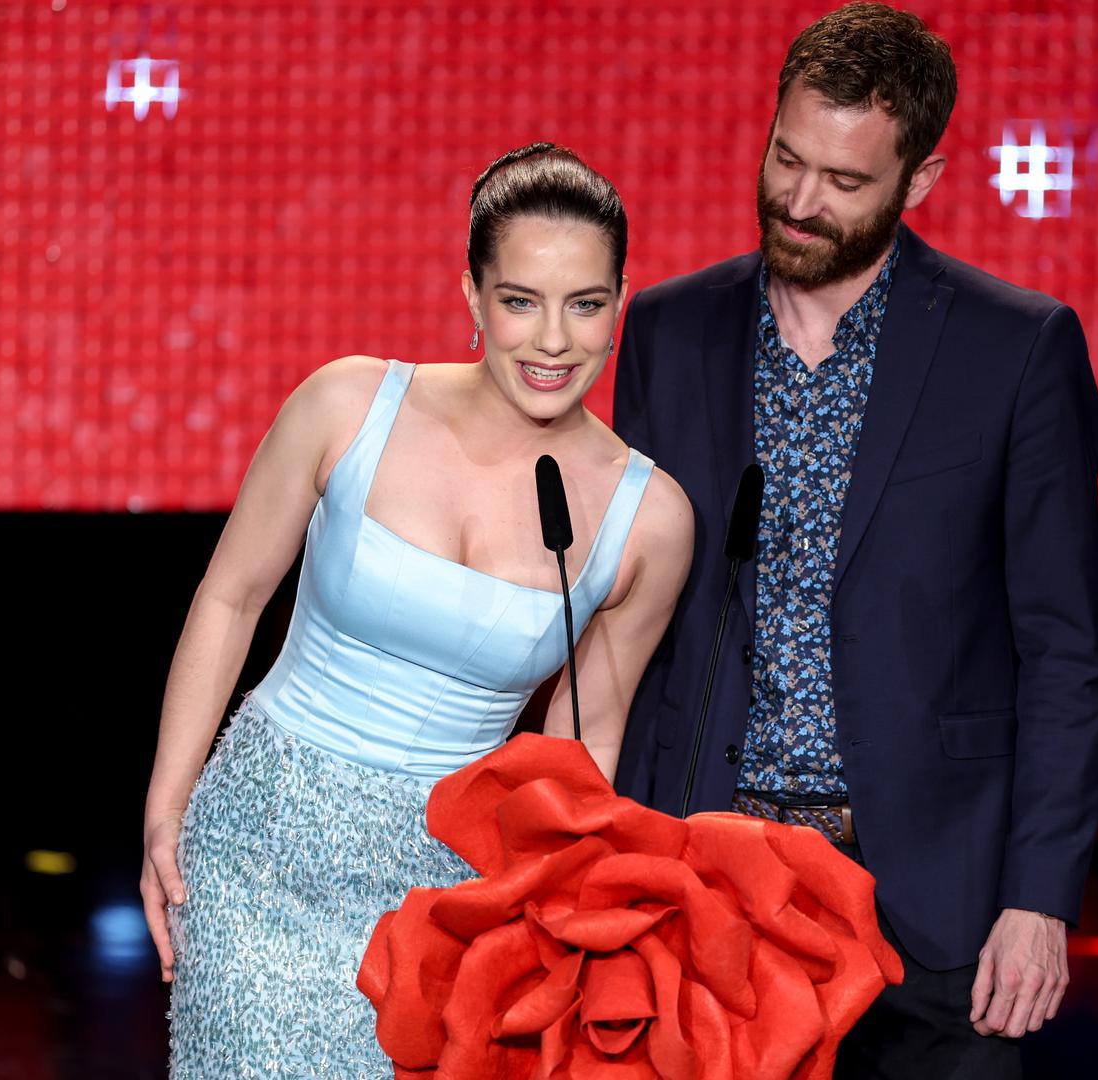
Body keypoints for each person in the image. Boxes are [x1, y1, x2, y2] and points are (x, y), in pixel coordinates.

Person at [611, 4, 1098, 1077]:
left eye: (843, 181)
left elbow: (1064, 651)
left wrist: (1037, 897)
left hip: (935, 902)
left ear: (919, 181)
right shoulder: (667, 331)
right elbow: (637, 621)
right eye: (785, 159)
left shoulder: (1015, 350)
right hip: (707, 884)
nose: (799, 202)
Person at [138, 143, 694, 1077]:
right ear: (472, 296)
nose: (552, 340)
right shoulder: (346, 404)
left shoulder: (649, 517)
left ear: (619, 304)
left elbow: (583, 745)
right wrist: (166, 810)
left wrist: (556, 923)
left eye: (584, 304)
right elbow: (229, 599)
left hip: (445, 893)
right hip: (255, 852)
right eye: (519, 300)